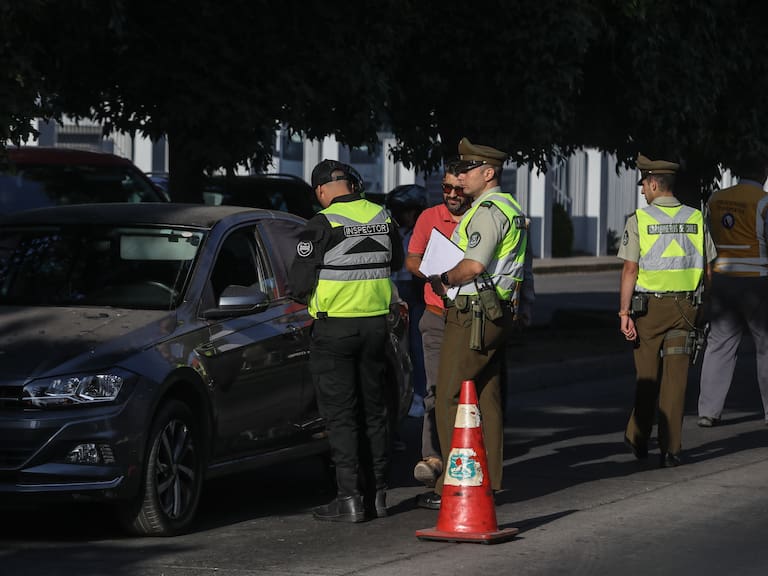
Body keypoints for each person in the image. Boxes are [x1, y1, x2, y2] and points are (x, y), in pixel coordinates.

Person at [288, 159, 404, 522]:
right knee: (375, 411)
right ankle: (380, 495)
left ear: (322, 190)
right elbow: (395, 262)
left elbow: (298, 285)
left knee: (341, 417)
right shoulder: (383, 216)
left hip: (335, 330)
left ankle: (350, 499)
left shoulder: (321, 224)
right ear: (351, 184)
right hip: (375, 328)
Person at [426, 138, 530, 510]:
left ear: (488, 173)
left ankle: (454, 485)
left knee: (449, 396)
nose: (462, 176)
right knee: (487, 393)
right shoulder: (512, 207)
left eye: (469, 170)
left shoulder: (487, 210)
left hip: (474, 313)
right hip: (497, 311)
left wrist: (442, 280)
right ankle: (491, 479)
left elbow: (474, 265)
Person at [618, 154, 716, 468]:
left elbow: (630, 270)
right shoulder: (697, 218)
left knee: (647, 376)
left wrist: (623, 312)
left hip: (649, 310)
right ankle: (671, 449)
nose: (643, 191)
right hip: (687, 308)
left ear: (655, 183)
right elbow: (709, 269)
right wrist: (704, 306)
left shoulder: (639, 219)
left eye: (645, 185)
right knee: (676, 380)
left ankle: (638, 435)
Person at [403, 163, 471, 495]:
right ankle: (432, 459)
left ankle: (468, 460)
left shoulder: (482, 217)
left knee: (469, 392)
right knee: (434, 390)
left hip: (471, 316)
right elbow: (411, 260)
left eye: (459, 189)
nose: (453, 195)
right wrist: (434, 274)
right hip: (435, 314)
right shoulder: (429, 218)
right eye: (446, 188)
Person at [697, 158, 768, 427]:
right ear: (764, 172)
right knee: (766, 347)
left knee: (719, 344)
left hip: (723, 279)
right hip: (757, 281)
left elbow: (709, 238)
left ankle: (708, 411)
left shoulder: (716, 199)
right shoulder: (763, 202)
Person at [386, 185, 428, 417]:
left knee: (416, 346)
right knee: (398, 347)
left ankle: (420, 393)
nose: (401, 217)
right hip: (395, 290)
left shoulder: (423, 233)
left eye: (405, 211)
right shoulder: (394, 231)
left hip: (415, 291)